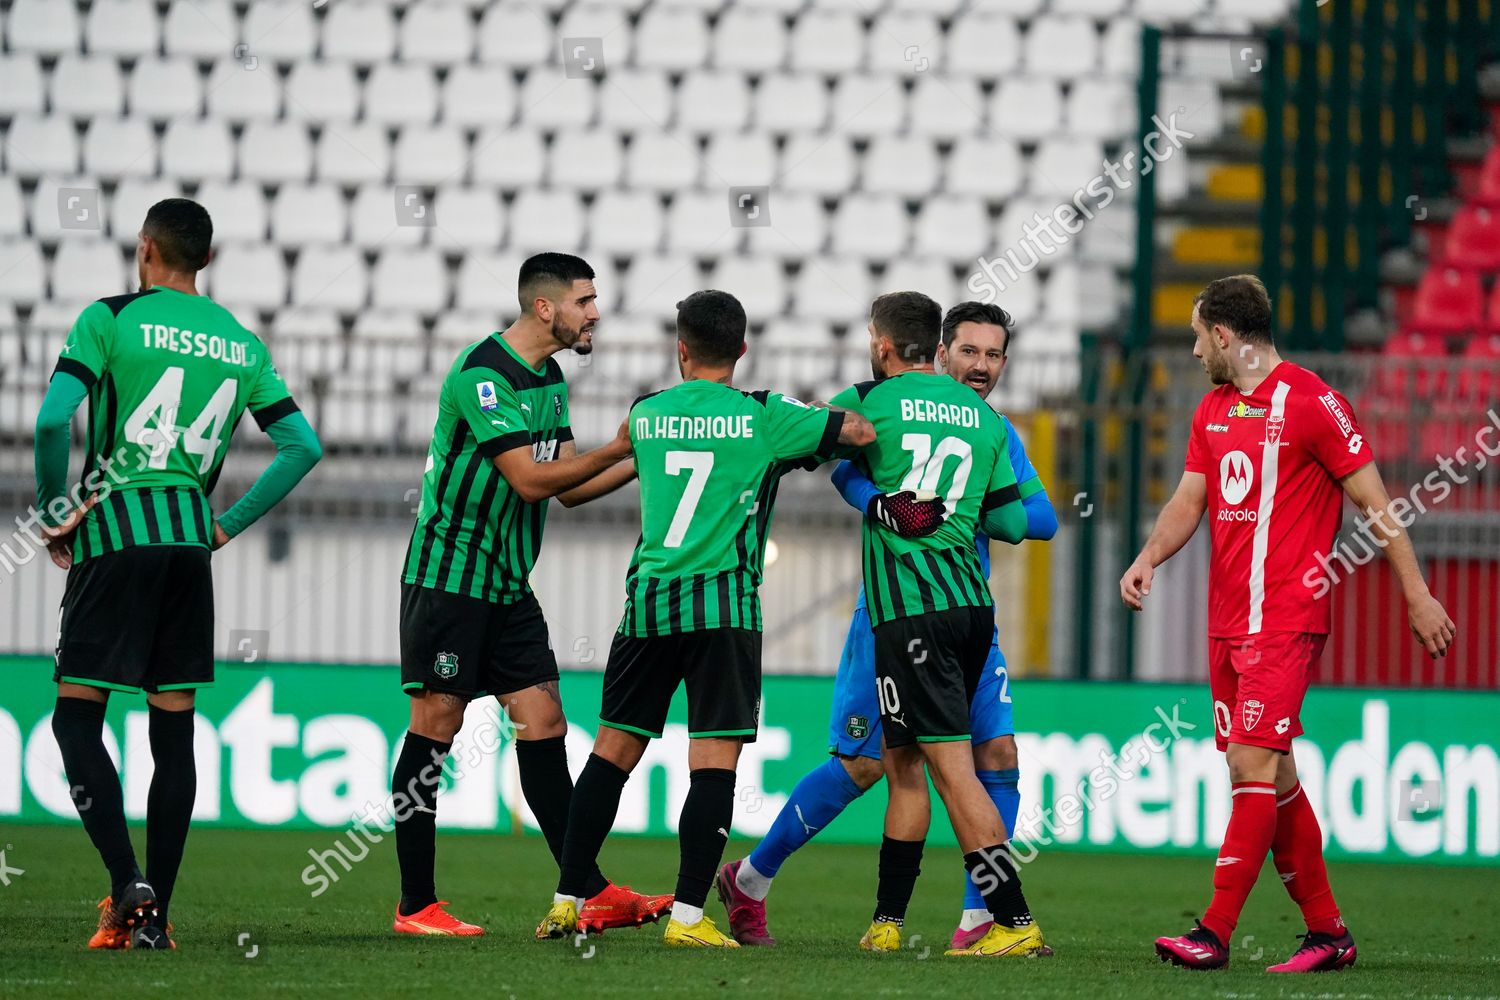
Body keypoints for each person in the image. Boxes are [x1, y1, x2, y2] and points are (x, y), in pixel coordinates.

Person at [1121, 274, 1455, 972]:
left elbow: (1378, 506)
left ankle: (1211, 932)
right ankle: (1329, 934)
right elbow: (1190, 500)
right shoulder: (1212, 410)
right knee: (1269, 778)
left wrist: (1417, 594)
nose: (1190, 351)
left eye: (1194, 336)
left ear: (1223, 335)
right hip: (1226, 623)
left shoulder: (1314, 403)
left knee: (1250, 761)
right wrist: (1149, 555)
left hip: (1287, 617)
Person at [534, 289, 875, 947]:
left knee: (611, 753)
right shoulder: (765, 415)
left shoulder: (648, 414)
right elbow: (857, 432)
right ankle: (689, 919)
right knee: (713, 762)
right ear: (742, 350)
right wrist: (823, 421)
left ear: (681, 349)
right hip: (724, 612)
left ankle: (567, 901)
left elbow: (579, 489)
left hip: (650, 608)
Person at [716, 301, 1057, 950]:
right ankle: (756, 877)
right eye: (970, 352)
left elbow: (1040, 520)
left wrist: (955, 509)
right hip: (894, 614)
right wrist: (885, 502)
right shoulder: (926, 414)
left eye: (994, 355)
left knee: (991, 756)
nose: (981, 365)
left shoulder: (974, 423)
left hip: (951, 617)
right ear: (942, 350)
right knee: (868, 766)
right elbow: (847, 468)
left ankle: (975, 920)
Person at [38, 197, 323, 950]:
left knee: (76, 718)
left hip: (116, 534)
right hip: (186, 549)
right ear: (205, 259)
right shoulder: (239, 341)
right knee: (173, 736)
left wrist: (52, 509)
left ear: (144, 249)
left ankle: (125, 881)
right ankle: (154, 918)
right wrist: (222, 524)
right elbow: (301, 446)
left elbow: (48, 420)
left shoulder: (110, 318)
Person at [394, 253, 669, 936]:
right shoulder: (484, 374)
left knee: (543, 724)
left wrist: (644, 460)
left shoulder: (548, 379)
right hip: (449, 580)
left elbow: (567, 486)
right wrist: (617, 446)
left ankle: (587, 887)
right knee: (436, 728)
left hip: (507, 585)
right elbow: (525, 478)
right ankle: (416, 904)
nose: (595, 313)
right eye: (586, 300)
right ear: (546, 308)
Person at [806, 291, 1047, 958]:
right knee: (903, 761)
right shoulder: (984, 417)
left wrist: (880, 501)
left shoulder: (872, 404)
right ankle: (886, 922)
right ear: (935, 347)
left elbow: (817, 445)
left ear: (883, 345)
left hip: (914, 613)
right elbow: (1016, 518)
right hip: (969, 607)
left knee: (951, 770)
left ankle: (1015, 923)